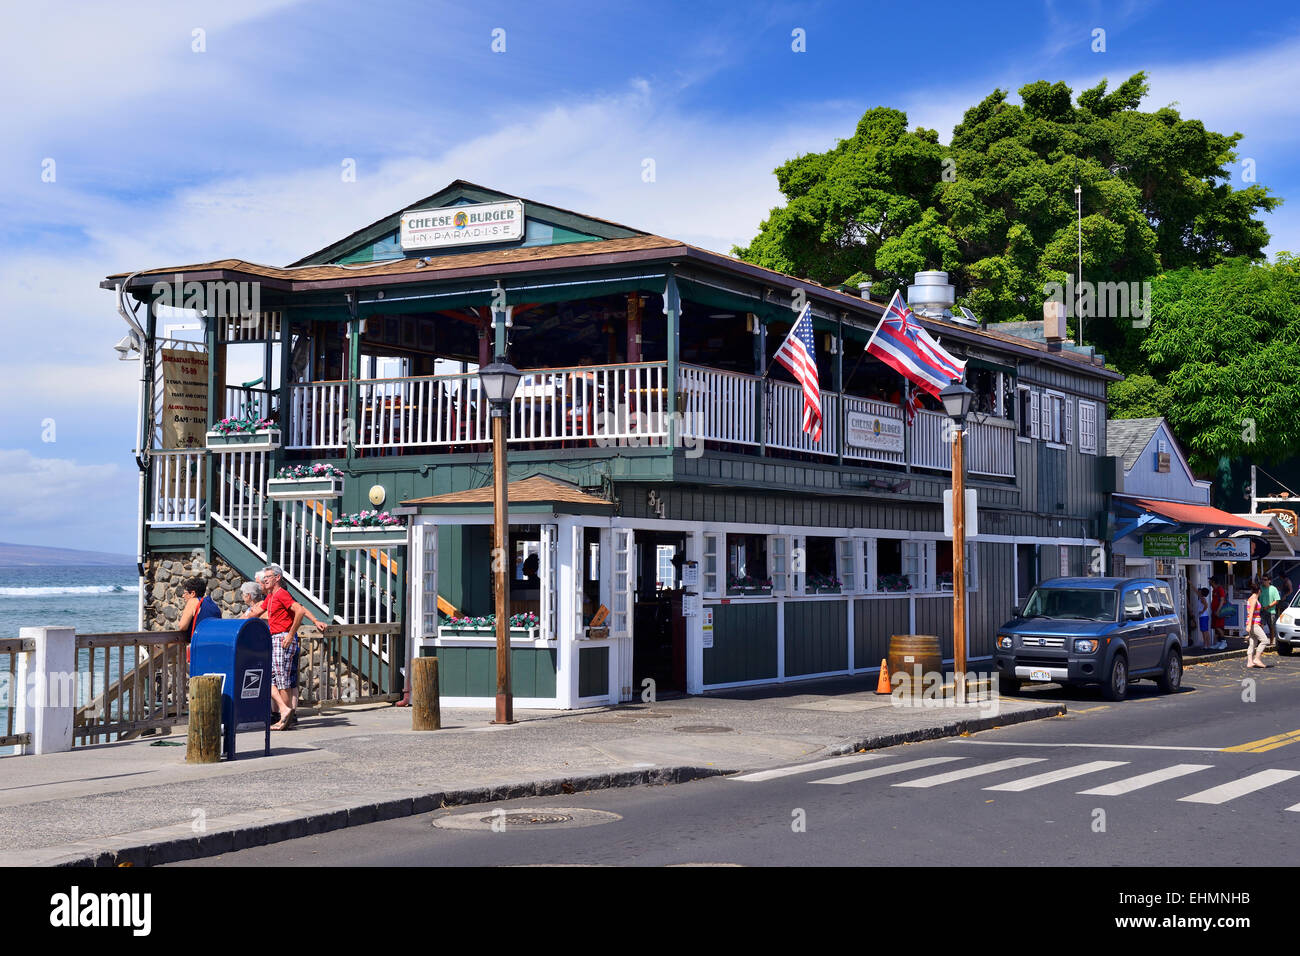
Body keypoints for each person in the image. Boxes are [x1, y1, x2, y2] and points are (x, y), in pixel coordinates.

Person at [262, 565, 323, 730]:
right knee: (273, 678)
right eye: (263, 577)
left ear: (277, 578)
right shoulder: (271, 597)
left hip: (282, 637)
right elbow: (255, 611)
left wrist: (290, 634)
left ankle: (285, 717)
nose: (264, 580)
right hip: (275, 638)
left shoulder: (282, 593)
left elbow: (300, 610)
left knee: (283, 681)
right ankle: (284, 712)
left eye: (267, 577)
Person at [176, 577, 221, 663]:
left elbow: (182, 626)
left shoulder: (193, 601)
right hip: (214, 646)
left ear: (192, 593)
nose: (183, 596)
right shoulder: (212, 605)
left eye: (185, 593)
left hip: (200, 646)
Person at [1245, 581, 1270, 668]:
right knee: (1265, 640)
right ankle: (1257, 658)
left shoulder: (1251, 598)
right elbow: (1251, 612)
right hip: (1254, 624)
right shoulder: (1254, 599)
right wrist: (1249, 625)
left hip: (1253, 624)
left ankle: (1250, 662)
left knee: (1253, 642)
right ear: (1259, 591)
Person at [1261, 575, 1281, 647]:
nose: (1263, 581)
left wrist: (1268, 606)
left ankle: (1271, 642)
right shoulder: (1260, 588)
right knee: (1261, 626)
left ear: (1269, 581)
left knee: (1271, 627)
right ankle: (1261, 641)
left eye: (1265, 579)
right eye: (1262, 579)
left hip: (1271, 611)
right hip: (1262, 611)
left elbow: (1277, 600)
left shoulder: (1274, 589)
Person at [1210, 578, 1228, 649]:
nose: (1209, 582)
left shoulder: (1220, 589)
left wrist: (1218, 610)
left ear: (1213, 582)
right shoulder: (1214, 590)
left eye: (1210, 581)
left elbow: (1222, 600)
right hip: (1214, 611)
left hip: (1219, 611)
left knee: (1219, 626)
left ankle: (1224, 642)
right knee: (1215, 627)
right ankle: (1218, 642)